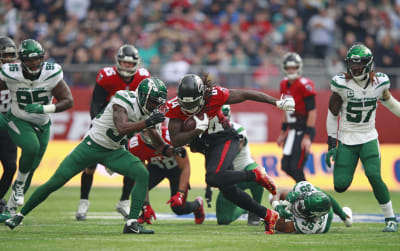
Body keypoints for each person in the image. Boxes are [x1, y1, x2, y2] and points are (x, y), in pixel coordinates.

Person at [4, 78, 168, 234]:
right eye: (153, 101)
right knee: (56, 181)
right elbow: (122, 127)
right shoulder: (123, 98)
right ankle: (19, 215)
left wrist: (172, 150)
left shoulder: (149, 114)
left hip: (114, 151)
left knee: (141, 173)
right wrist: (148, 122)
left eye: (157, 103)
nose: (155, 106)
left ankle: (132, 223)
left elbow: (159, 145)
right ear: (142, 97)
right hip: (91, 147)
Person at [165, 73, 295, 234]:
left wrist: (276, 102)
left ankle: (254, 175)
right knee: (227, 189)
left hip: (225, 137)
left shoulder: (214, 95)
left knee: (213, 177)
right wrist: (197, 130)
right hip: (207, 143)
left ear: (202, 95)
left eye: (193, 103)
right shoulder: (175, 107)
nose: (189, 108)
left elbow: (246, 94)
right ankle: (268, 215)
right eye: (185, 104)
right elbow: (176, 140)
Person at [325, 43, 400, 232]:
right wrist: (331, 142)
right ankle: (348, 210)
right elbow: (333, 114)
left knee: (374, 176)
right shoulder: (341, 84)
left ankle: (390, 218)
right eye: (352, 63)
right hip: (347, 139)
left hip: (368, 137)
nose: (355, 68)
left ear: (369, 64)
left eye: (359, 64)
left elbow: (390, 102)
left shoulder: (379, 82)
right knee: (340, 186)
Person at [0, 39, 74, 221]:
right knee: (30, 148)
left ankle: (9, 211)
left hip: (42, 123)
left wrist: (44, 109)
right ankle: (17, 188)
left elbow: (68, 100)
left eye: (37, 59)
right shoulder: (11, 73)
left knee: (31, 167)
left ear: (42, 58)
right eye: (30, 60)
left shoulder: (51, 73)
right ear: (22, 60)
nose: (34, 63)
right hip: (18, 119)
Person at [76, 44, 151, 221]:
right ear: (118, 62)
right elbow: (95, 104)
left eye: (129, 64)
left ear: (136, 64)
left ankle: (124, 201)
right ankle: (83, 202)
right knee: (90, 163)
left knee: (134, 160)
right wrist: (96, 123)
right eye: (123, 63)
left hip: (128, 125)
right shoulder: (107, 76)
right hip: (105, 122)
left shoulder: (142, 77)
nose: (126, 67)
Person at [127, 126, 205, 224]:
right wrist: (146, 205)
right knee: (137, 190)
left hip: (176, 170)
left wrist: (180, 193)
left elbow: (185, 167)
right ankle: (145, 212)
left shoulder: (171, 136)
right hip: (156, 168)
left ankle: (197, 205)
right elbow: (141, 177)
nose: (148, 134)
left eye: (150, 130)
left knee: (178, 208)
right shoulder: (136, 144)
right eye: (144, 130)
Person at [210, 105, 265, 226]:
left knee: (258, 174)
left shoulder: (237, 130)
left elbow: (234, 151)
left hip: (243, 171)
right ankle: (248, 207)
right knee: (223, 220)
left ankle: (256, 210)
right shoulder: (210, 133)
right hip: (229, 179)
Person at [276, 52, 317, 183]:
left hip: (303, 130)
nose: (291, 70)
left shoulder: (305, 84)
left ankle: (308, 192)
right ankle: (304, 189)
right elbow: (285, 110)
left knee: (296, 167)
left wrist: (307, 136)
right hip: (292, 130)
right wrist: (283, 132)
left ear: (299, 67)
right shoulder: (283, 84)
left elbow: (312, 112)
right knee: (286, 166)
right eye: (289, 67)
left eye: (294, 67)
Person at [269, 181, 352, 234]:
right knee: (271, 197)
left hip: (325, 220)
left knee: (327, 200)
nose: (299, 206)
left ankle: (345, 216)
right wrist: (276, 205)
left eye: (303, 208)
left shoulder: (310, 225)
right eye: (302, 203)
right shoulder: (305, 188)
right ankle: (345, 217)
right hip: (315, 196)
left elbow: (279, 228)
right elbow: (279, 192)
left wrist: (282, 216)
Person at [0, 36, 18, 213]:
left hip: (7, 124)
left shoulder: (20, 73)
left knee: (11, 166)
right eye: (6, 55)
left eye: (13, 55)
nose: (10, 59)